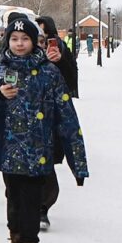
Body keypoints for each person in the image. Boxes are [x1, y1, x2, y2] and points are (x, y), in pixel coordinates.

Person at [0, 14, 88, 243]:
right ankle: (15, 238)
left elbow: (67, 117)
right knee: (14, 199)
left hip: (39, 152)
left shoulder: (49, 75)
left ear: (34, 42)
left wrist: (78, 163)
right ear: (7, 42)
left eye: (24, 39)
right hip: (9, 153)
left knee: (31, 200)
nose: (19, 43)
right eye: (14, 39)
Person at [35, 15, 78, 231]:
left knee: (47, 162)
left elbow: (71, 80)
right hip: (23, 125)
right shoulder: (18, 56)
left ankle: (43, 207)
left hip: (51, 120)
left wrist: (59, 61)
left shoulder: (60, 52)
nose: (41, 44)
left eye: (44, 38)